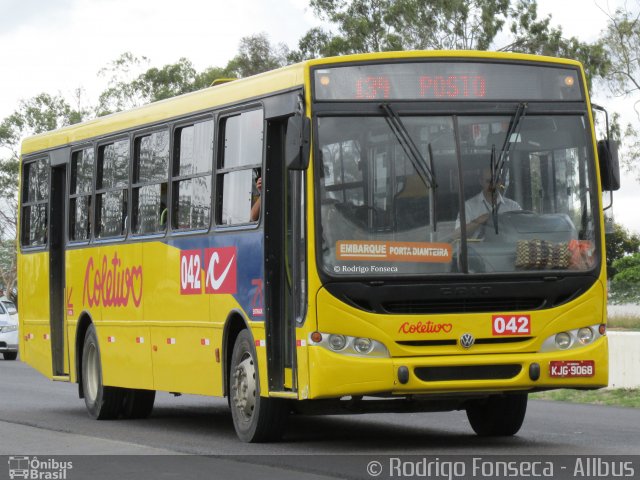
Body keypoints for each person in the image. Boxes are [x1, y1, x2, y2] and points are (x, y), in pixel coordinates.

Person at [455, 167, 521, 238]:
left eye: (496, 180)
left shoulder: (513, 206)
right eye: (488, 181)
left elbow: (525, 229)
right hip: (478, 248)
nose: (493, 185)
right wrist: (478, 221)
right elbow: (457, 235)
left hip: (508, 248)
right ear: (481, 181)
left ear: (501, 181)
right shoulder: (468, 207)